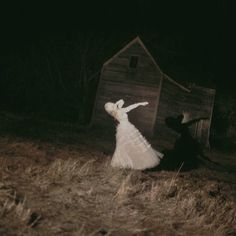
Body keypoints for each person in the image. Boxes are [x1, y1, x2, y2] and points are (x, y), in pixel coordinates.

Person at [104, 99, 163, 170]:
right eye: (113, 106)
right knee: (132, 144)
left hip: (123, 128)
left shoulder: (115, 112)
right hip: (126, 128)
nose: (115, 105)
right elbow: (130, 106)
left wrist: (116, 105)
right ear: (113, 109)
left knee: (125, 145)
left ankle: (128, 160)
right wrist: (140, 103)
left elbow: (122, 101)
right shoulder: (120, 111)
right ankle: (131, 161)